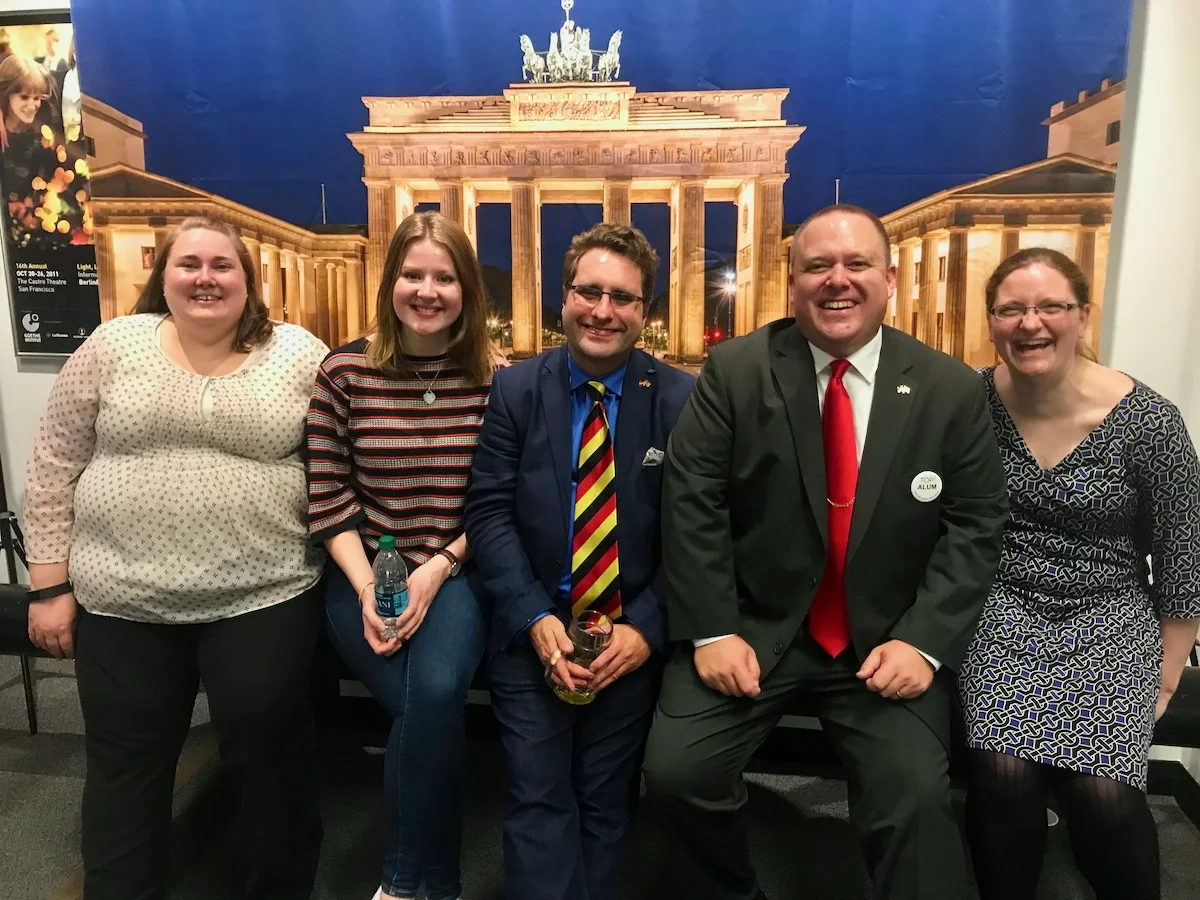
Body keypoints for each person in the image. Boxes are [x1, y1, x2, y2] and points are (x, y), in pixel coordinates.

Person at [643, 203, 1010, 900]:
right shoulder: (734, 371)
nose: (837, 281)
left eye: (856, 264)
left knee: (913, 802)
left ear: (890, 278)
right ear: (792, 281)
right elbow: (692, 504)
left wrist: (924, 643)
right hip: (751, 628)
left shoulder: (951, 389)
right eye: (817, 265)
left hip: (884, 643)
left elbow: (976, 526)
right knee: (677, 776)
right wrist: (714, 630)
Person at [24, 215, 328, 900]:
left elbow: (337, 459)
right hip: (122, 595)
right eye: (188, 263)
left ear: (249, 281)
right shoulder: (113, 345)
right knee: (126, 762)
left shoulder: (299, 353)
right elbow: (53, 461)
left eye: (222, 264)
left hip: (263, 591)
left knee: (268, 749)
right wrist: (47, 586)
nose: (205, 277)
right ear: (162, 276)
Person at [958, 247, 1200, 900]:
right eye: (1011, 309)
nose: (1030, 323)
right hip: (1002, 610)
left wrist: (1168, 670)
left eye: (1050, 307)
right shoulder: (970, 405)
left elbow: (1183, 556)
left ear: (1083, 316)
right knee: (1002, 773)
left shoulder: (1149, 422)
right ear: (992, 324)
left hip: (1109, 617)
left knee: (1101, 794)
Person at [464, 222, 695, 900]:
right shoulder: (516, 391)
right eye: (588, 292)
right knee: (537, 796)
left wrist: (645, 630)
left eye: (622, 298)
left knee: (604, 796)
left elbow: (698, 535)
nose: (602, 310)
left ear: (644, 313)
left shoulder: (682, 401)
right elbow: (488, 511)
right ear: (562, 299)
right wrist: (535, 617)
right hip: (534, 621)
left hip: (627, 632)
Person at [306, 211, 495, 900]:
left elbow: (496, 502)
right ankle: (437, 884)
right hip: (362, 566)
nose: (427, 290)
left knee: (435, 694)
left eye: (444, 277)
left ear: (467, 290)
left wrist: (438, 567)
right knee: (428, 712)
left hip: (458, 571)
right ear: (390, 282)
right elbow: (328, 498)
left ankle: (400, 883)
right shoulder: (343, 371)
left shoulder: (493, 378)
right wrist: (367, 589)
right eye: (413, 274)